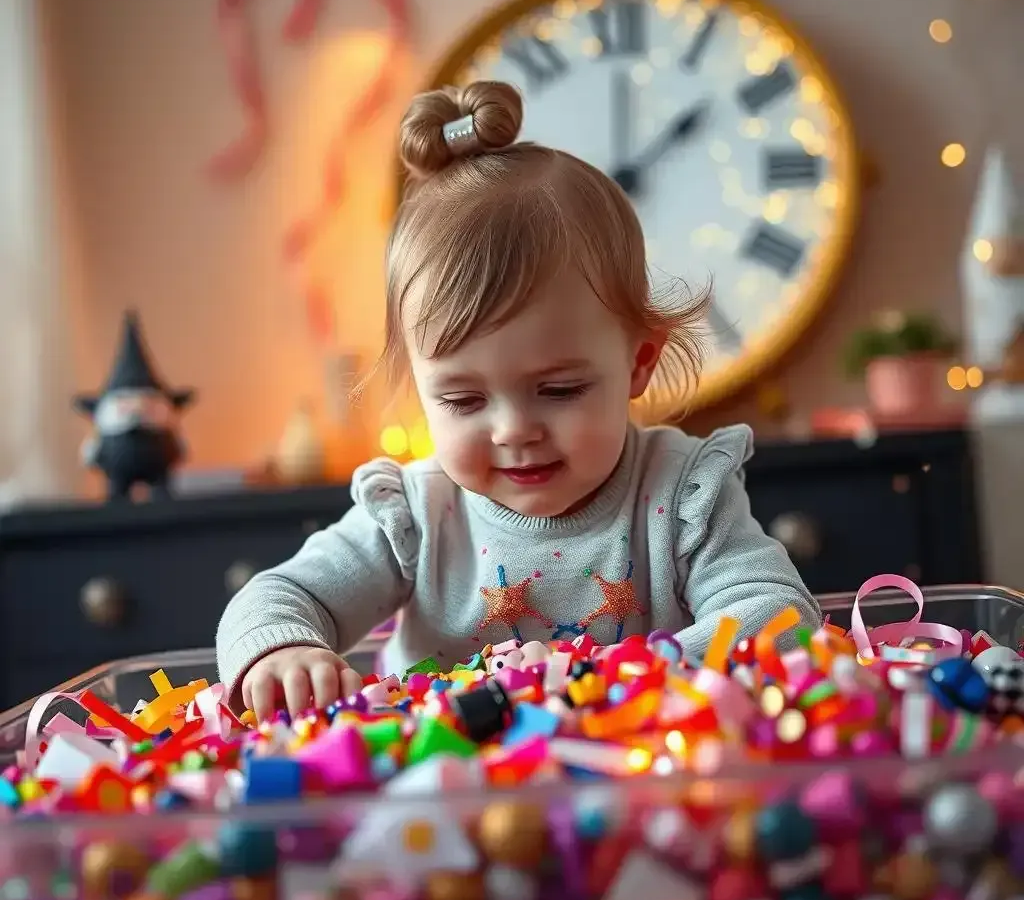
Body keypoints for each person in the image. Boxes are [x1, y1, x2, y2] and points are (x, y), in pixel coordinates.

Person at [217, 80, 821, 719]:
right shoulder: (420, 515)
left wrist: (626, 680)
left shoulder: (681, 495)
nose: (513, 429)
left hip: (637, 781)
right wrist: (279, 652)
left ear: (638, 361)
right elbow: (279, 595)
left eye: (559, 390)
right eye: (462, 400)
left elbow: (779, 613)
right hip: (448, 792)